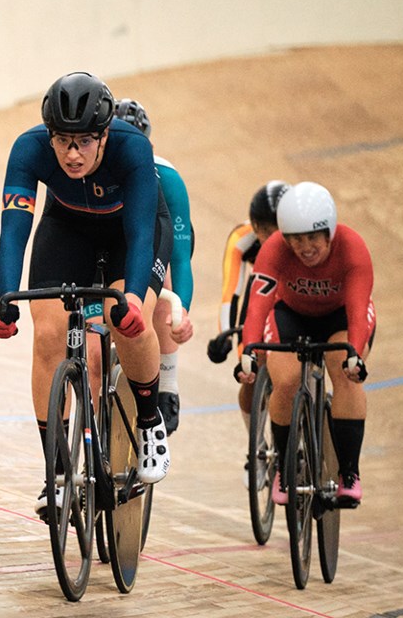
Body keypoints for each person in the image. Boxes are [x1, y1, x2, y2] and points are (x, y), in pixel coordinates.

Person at [0, 72, 176, 519]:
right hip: (68, 227)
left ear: (104, 135)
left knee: (125, 318)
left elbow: (140, 232)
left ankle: (149, 422)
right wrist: (5, 299)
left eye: (85, 142)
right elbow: (14, 232)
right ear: (48, 135)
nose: (73, 154)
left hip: (132, 233)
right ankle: (56, 472)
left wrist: (130, 299)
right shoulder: (28, 149)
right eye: (63, 141)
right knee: (47, 333)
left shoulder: (133, 149)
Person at [234, 182, 374, 507]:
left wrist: (354, 354)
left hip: (340, 317)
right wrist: (248, 352)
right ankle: (284, 465)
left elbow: (357, 309)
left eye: (312, 237)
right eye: (296, 239)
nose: (305, 247)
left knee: (346, 373)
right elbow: (257, 305)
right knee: (285, 381)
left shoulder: (352, 248)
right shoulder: (273, 250)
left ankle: (348, 473)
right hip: (292, 314)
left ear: (329, 232)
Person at [113, 99, 194, 435]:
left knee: (164, 289)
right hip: (113, 242)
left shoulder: (168, 179)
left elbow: (178, 256)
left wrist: (181, 313)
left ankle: (168, 385)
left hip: (159, 238)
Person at [207, 181, 290, 432]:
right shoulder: (243, 239)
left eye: (280, 231)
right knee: (251, 371)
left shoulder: (302, 236)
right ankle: (256, 450)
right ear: (255, 227)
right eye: (266, 231)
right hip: (263, 294)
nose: (274, 240)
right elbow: (231, 293)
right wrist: (227, 334)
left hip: (295, 296)